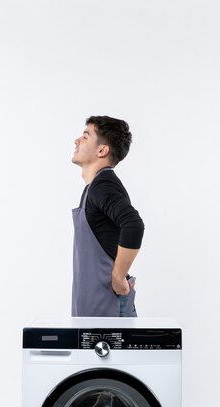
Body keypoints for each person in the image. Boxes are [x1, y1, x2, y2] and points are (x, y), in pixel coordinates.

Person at [71, 115, 144, 317]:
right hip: (95, 307)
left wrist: (118, 278)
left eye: (85, 137)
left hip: (107, 308)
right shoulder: (94, 187)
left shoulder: (103, 185)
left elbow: (133, 224)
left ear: (102, 150)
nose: (76, 141)